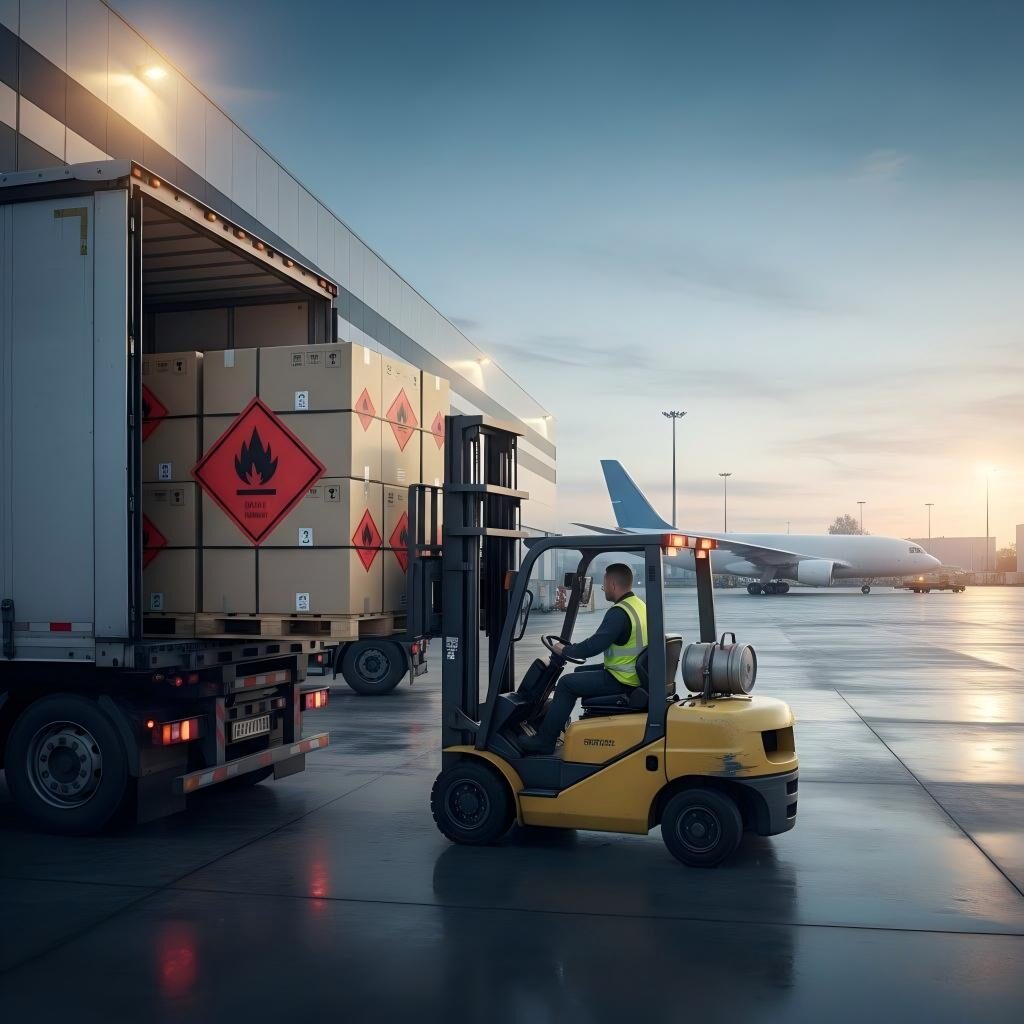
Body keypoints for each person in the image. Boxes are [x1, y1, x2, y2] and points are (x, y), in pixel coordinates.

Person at [520, 562, 647, 755]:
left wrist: (566, 650)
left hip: (623, 680)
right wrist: (571, 651)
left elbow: (593, 645)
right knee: (579, 673)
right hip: (631, 675)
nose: (603, 589)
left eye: (604, 585)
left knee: (566, 684)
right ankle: (557, 727)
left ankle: (545, 741)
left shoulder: (619, 612)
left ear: (613, 585)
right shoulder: (639, 606)